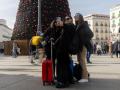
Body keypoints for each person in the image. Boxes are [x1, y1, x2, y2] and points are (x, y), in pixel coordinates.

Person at [74, 13, 94, 83]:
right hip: (79, 46)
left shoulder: (84, 25)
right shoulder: (77, 25)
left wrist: (84, 40)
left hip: (83, 45)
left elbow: (91, 34)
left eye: (77, 16)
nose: (75, 17)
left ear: (80, 17)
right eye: (75, 16)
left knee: (82, 60)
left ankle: (85, 77)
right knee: (79, 60)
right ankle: (85, 74)